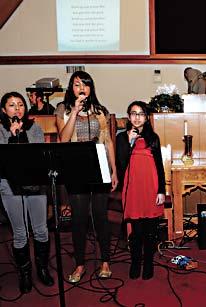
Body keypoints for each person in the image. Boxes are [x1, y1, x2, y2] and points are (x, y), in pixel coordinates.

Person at [55, 71, 118, 283]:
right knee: (79, 219)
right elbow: (63, 140)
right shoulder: (63, 109)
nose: (81, 88)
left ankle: (105, 261)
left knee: (101, 217)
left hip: (99, 167)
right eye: (76, 84)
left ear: (91, 88)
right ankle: (80, 264)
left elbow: (108, 141)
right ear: (71, 89)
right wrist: (74, 112)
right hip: (76, 169)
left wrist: (114, 170)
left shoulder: (100, 111)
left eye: (85, 84)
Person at [0, 92, 54, 293]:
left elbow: (36, 159)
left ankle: (42, 268)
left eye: (21, 104)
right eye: (12, 105)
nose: (17, 109)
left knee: (40, 229)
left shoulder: (35, 129)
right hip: (9, 186)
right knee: (20, 233)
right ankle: (24, 273)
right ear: (4, 110)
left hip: (35, 185)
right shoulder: (1, 131)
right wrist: (12, 136)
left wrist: (22, 135)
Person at [116, 101, 165, 280]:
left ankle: (149, 263)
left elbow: (159, 166)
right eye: (133, 113)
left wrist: (161, 190)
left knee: (150, 230)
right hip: (133, 188)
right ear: (129, 117)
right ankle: (136, 262)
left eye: (141, 114)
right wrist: (129, 142)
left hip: (150, 187)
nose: (137, 117)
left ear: (146, 117)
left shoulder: (154, 138)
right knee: (136, 231)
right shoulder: (122, 138)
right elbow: (121, 164)